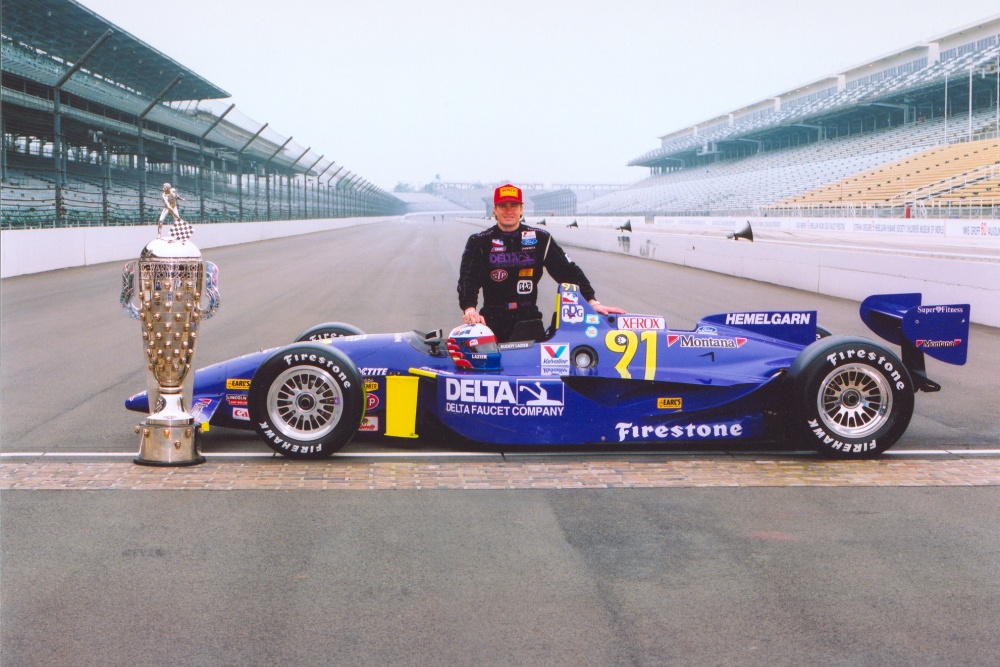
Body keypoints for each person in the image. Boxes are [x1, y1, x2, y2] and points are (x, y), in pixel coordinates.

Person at [457, 183, 624, 342]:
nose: (508, 211)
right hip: (492, 321)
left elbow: (569, 272)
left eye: (513, 206)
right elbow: (467, 280)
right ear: (495, 210)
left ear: (521, 209)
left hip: (528, 321)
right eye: (503, 206)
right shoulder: (479, 241)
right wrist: (470, 308)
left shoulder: (540, 238)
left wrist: (591, 301)